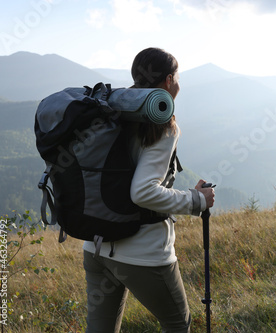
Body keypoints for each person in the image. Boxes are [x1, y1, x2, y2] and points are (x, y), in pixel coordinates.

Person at [82, 47, 215, 333]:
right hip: (142, 253)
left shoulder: (113, 110)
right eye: (177, 76)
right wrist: (196, 200)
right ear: (168, 80)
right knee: (178, 325)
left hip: (96, 246)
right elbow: (142, 192)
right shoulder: (161, 123)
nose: (179, 82)